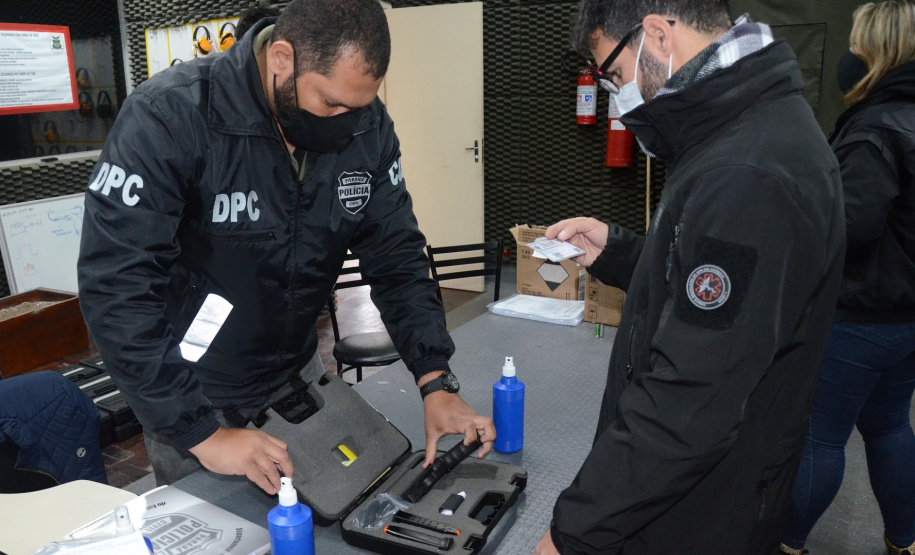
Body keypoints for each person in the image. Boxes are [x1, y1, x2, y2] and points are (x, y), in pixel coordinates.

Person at [77, 0, 494, 496]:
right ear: (281, 58)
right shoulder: (170, 115)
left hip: (299, 375)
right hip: (195, 391)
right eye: (331, 104)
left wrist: (434, 380)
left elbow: (397, 256)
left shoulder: (368, 126)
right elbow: (115, 288)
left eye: (360, 105)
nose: (346, 122)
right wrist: (203, 435)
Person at [532, 1, 846, 553]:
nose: (614, 92)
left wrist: (573, 531)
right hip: (703, 491)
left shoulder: (747, 172)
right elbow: (717, 288)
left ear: (656, 35)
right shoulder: (738, 130)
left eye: (611, 73)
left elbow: (692, 401)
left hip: (702, 511)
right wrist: (625, 253)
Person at [779, 2, 915, 554]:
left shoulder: (876, 128)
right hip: (907, 317)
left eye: (858, 47)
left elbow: (849, 228)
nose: (849, 56)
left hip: (860, 317)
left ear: (881, 53)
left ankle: (785, 543)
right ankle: (904, 542)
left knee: (820, 438)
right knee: (889, 427)